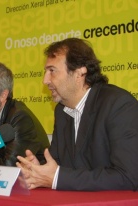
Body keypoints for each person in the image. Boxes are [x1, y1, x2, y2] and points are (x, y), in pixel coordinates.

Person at [16, 38, 138, 191]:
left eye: (52, 71)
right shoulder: (61, 110)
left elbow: (128, 176)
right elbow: (59, 165)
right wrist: (40, 169)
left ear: (80, 72)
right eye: (45, 72)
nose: (45, 80)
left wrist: (56, 178)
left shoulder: (118, 105)